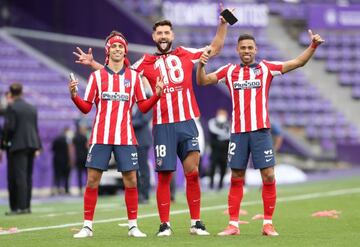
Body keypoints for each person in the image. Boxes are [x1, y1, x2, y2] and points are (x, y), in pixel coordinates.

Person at [73, 5, 231, 236]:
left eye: (167, 32)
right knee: (164, 175)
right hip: (163, 125)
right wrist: (94, 64)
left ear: (172, 35)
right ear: (154, 37)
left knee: (193, 172)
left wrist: (223, 24)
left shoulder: (185, 53)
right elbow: (118, 76)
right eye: (159, 33)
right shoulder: (144, 63)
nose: (164, 36)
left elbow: (215, 48)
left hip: (187, 121)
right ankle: (165, 224)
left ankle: (196, 221)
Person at [197, 30, 324, 236]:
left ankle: (267, 223)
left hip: (261, 132)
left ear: (256, 49)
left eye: (250, 47)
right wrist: (201, 64)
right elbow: (202, 81)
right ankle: (233, 225)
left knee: (268, 175)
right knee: (237, 176)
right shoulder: (228, 71)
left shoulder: (266, 68)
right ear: (237, 50)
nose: (247, 51)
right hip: (238, 133)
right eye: (243, 47)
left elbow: (297, 62)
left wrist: (313, 46)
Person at [70, 30, 164, 238]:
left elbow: (144, 106)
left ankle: (133, 226)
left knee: (131, 179)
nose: (118, 49)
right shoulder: (96, 77)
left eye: (121, 46)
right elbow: (86, 108)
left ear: (125, 50)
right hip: (101, 137)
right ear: (108, 50)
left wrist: (156, 95)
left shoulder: (134, 77)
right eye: (114, 46)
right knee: (92, 180)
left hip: (125, 137)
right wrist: (75, 96)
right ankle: (87, 226)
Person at [2, 83, 42, 215]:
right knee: (27, 177)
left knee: (18, 177)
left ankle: (19, 208)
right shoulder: (31, 108)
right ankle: (26, 206)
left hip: (17, 146)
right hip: (32, 145)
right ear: (21, 92)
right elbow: (35, 129)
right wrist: (38, 146)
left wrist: (3, 145)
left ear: (11, 93)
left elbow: (9, 128)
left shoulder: (12, 107)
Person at [132, 103, 152, 203]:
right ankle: (137, 195)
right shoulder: (130, 104)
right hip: (132, 141)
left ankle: (145, 195)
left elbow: (144, 120)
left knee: (143, 169)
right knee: (133, 170)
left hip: (142, 141)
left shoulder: (145, 104)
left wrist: (128, 123)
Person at [207, 108, 230, 190]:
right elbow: (212, 130)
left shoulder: (227, 124)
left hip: (224, 150)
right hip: (215, 149)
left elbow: (229, 135)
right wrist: (223, 134)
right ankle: (211, 183)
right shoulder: (213, 122)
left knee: (223, 167)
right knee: (213, 166)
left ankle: (220, 184)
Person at [51, 127, 72, 195]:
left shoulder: (56, 139)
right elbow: (69, 151)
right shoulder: (67, 140)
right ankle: (66, 190)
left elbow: (53, 149)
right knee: (66, 176)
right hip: (66, 160)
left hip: (57, 160)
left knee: (57, 176)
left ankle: (57, 189)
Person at [72, 125, 89, 194]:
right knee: (87, 174)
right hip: (84, 158)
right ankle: (86, 188)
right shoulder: (84, 137)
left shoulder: (75, 138)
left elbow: (72, 148)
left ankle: (80, 189)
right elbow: (87, 147)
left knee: (79, 174)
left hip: (78, 157)